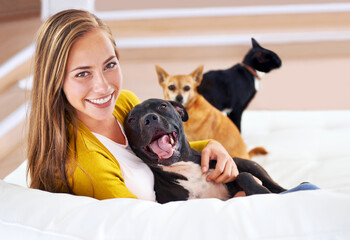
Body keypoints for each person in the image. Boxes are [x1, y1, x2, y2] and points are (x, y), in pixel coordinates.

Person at [26, 9, 239, 201]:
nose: (103, 86)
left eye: (109, 65)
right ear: (55, 80)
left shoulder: (123, 103)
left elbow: (162, 146)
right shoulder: (88, 164)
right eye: (83, 73)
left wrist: (210, 145)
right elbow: (141, 226)